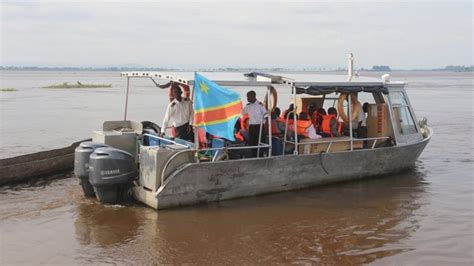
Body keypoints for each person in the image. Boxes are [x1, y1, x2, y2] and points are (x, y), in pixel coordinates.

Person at [242, 90, 267, 157]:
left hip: (259, 127)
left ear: (253, 96)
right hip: (252, 127)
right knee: (252, 143)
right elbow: (242, 112)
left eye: (248, 97)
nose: (247, 99)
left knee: (261, 142)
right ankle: (254, 156)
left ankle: (261, 157)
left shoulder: (260, 105)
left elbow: (266, 116)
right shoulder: (248, 106)